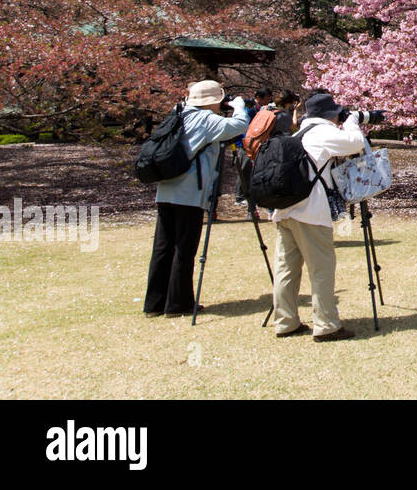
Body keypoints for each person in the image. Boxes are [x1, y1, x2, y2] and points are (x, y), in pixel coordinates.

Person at [144, 79, 250, 316]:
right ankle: (178, 304)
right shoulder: (205, 119)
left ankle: (155, 303)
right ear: (213, 101)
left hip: (166, 186)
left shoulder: (178, 112)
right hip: (189, 191)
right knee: (185, 247)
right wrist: (240, 106)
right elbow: (238, 126)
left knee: (163, 246)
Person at [270, 92, 366, 342]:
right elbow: (355, 143)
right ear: (330, 115)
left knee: (286, 269)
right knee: (321, 268)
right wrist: (353, 120)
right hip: (310, 211)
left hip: (284, 210)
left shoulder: (297, 134)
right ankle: (326, 325)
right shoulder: (323, 133)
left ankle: (285, 321)